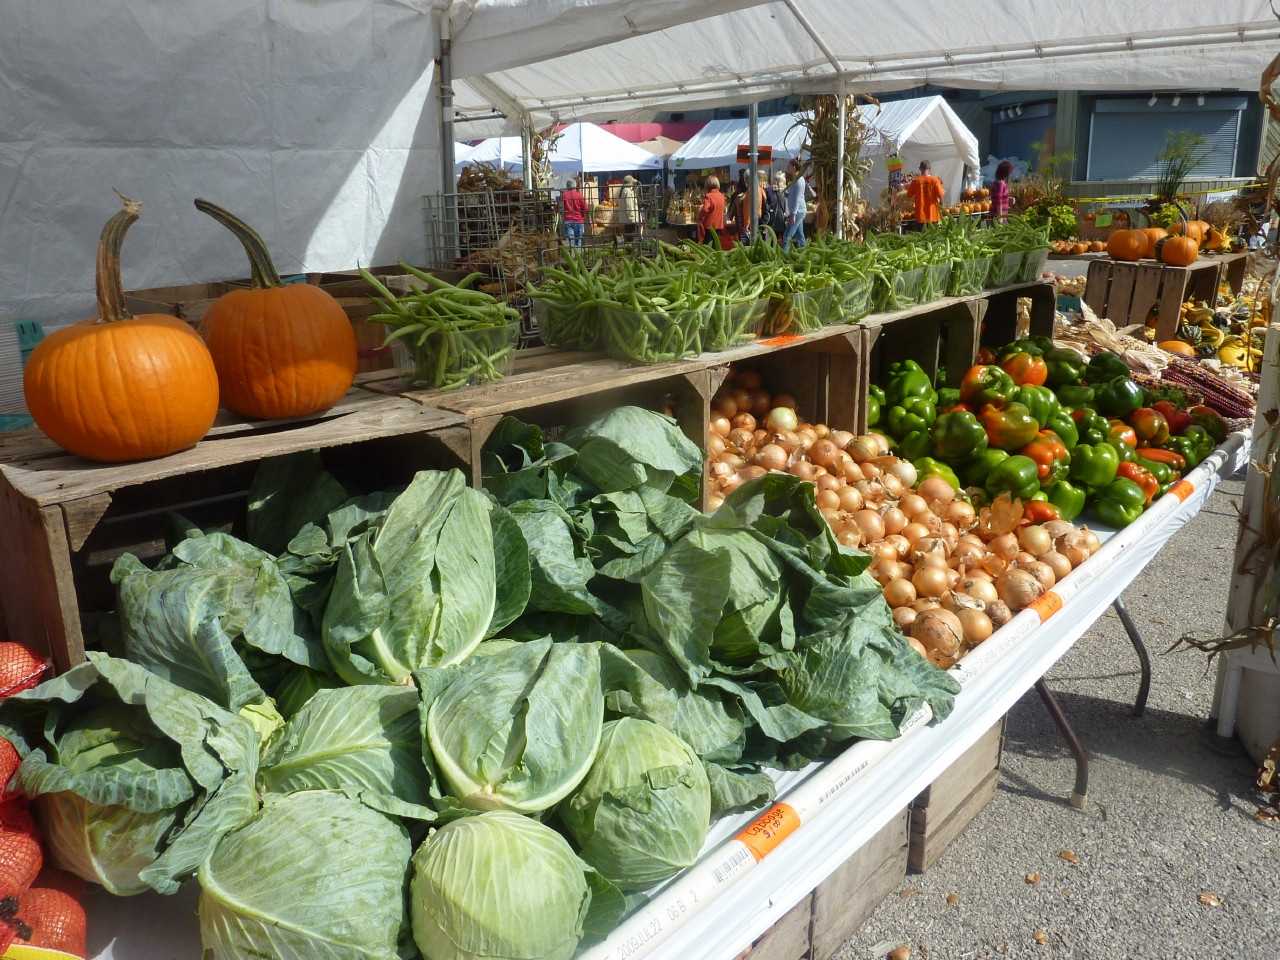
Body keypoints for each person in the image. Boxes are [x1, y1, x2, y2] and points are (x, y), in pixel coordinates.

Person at [906, 161, 944, 225]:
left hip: (920, 216)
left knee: (921, 234)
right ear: (929, 169)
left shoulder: (915, 181)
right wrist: (941, 207)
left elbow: (909, 195)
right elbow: (941, 196)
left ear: (920, 169)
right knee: (935, 234)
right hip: (933, 215)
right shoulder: (935, 180)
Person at [737, 171, 768, 244]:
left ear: (746, 180)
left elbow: (748, 210)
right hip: (760, 221)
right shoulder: (761, 190)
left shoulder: (750, 191)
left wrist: (746, 225)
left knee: (750, 247)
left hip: (751, 224)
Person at [783, 159, 808, 249]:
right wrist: (787, 195)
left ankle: (783, 258)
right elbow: (795, 196)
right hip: (798, 211)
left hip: (797, 212)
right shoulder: (796, 179)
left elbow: (797, 199)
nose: (787, 168)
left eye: (789, 166)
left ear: (794, 167)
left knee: (787, 236)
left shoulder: (798, 181)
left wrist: (793, 214)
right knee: (800, 236)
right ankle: (804, 253)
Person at [697, 175, 726, 245]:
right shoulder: (722, 196)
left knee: (708, 249)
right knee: (716, 246)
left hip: (709, 226)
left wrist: (699, 215)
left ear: (707, 185)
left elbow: (705, 209)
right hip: (719, 225)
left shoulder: (709, 196)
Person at [561, 178, 587, 247]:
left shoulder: (564, 195)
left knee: (571, 242)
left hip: (568, 221)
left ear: (567, 186)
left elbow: (560, 208)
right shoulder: (579, 195)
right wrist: (583, 216)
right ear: (575, 185)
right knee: (578, 242)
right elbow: (585, 208)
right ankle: (578, 256)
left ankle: (572, 256)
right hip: (578, 220)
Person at [764, 170, 788, 239]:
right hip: (783, 220)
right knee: (784, 240)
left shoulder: (769, 190)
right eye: (776, 180)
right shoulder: (786, 192)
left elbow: (767, 205)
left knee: (772, 241)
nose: (776, 183)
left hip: (773, 221)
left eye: (777, 181)